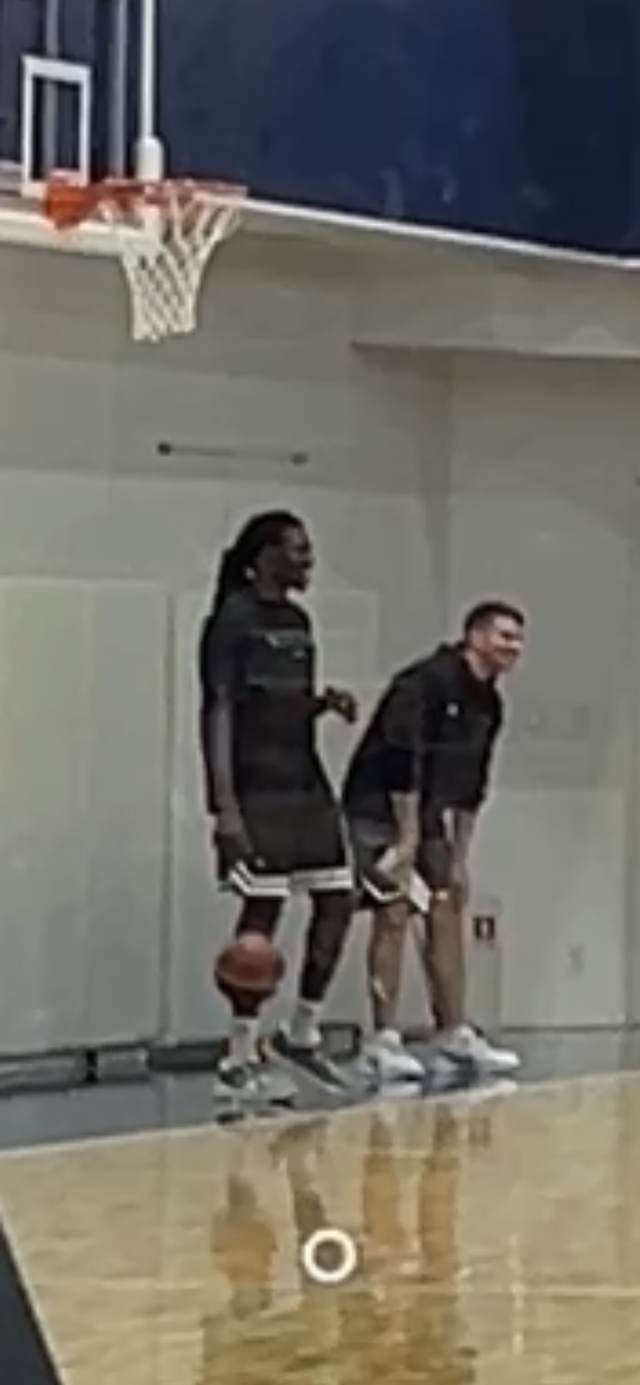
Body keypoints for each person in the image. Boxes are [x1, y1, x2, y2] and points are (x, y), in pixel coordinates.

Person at [199, 510, 357, 1103]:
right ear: (264, 555)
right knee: (261, 918)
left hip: (305, 781)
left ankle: (302, 1032)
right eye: (298, 549)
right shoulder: (232, 620)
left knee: (338, 899)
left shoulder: (298, 620)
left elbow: (279, 705)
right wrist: (224, 807)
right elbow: (219, 712)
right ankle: (238, 1057)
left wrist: (320, 704)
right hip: (255, 787)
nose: (308, 559)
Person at [342, 600, 525, 1085]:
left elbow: (472, 784)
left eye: (518, 639)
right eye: (505, 636)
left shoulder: (489, 704)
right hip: (378, 806)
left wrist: (460, 856)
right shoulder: (423, 683)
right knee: (394, 907)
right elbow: (402, 765)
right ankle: (382, 1040)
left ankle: (452, 1031)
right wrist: (405, 841)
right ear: (476, 636)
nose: (514, 647)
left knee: (446, 905)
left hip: (427, 813)